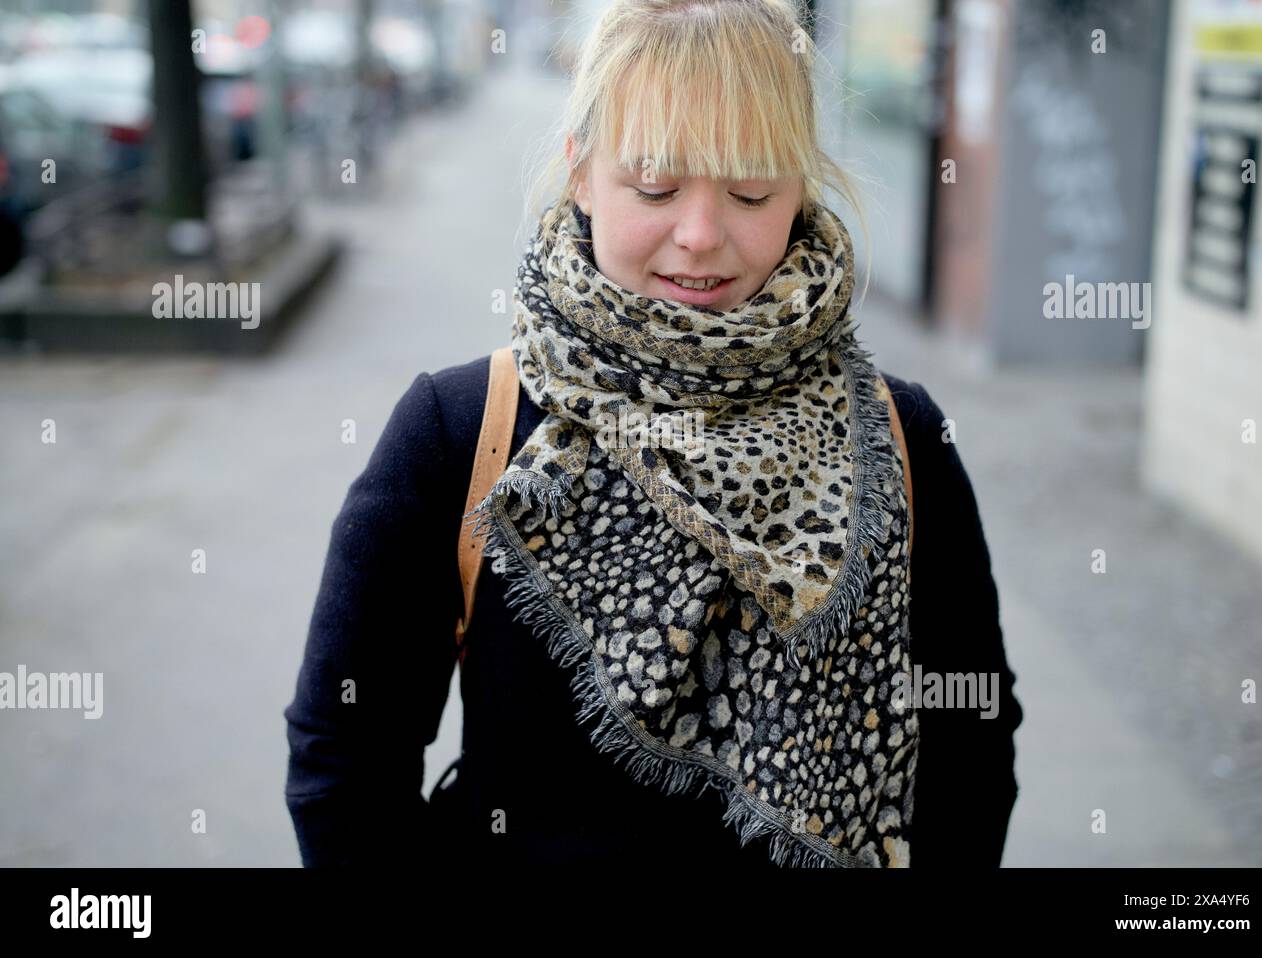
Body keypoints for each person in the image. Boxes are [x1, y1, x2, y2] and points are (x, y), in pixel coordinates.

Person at [283, 0, 1022, 869]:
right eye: (656, 187)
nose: (701, 236)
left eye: (751, 190)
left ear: (801, 190)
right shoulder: (460, 431)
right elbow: (346, 757)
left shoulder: (900, 438)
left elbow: (969, 748)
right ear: (581, 174)